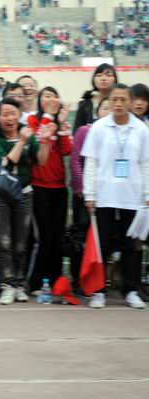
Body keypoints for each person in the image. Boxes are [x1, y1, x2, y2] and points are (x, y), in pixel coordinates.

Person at [81, 84, 149, 310]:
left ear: (130, 101)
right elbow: (91, 162)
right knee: (103, 244)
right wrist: (89, 194)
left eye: (123, 99)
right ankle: (99, 291)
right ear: (109, 101)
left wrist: (147, 193)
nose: (119, 104)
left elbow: (146, 163)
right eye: (115, 99)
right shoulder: (99, 128)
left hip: (132, 196)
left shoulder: (140, 129)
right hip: (105, 195)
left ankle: (131, 290)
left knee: (131, 245)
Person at [0, 98, 51, 305]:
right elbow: (5, 162)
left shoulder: (27, 133)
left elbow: (41, 161)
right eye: (5, 114)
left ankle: (20, 284)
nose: (10, 118)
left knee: (21, 243)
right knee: (3, 242)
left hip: (24, 193)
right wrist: (21, 141)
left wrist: (45, 142)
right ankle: (7, 285)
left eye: (13, 113)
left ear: (19, 115)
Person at [27, 87, 72, 292]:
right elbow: (36, 143)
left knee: (57, 237)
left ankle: (55, 281)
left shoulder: (61, 122)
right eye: (47, 96)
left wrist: (61, 125)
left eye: (55, 96)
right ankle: (34, 282)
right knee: (44, 237)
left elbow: (67, 150)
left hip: (59, 187)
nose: (52, 99)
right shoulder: (33, 121)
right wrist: (47, 117)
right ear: (39, 100)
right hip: (39, 187)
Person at [69, 98, 111, 292]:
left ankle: (98, 282)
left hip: (107, 197)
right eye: (105, 108)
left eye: (111, 108)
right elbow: (75, 161)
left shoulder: (117, 136)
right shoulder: (85, 131)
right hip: (85, 196)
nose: (108, 111)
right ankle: (78, 280)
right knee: (80, 239)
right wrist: (83, 191)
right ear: (97, 111)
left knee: (102, 240)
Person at [73, 63, 118, 134]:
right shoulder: (85, 105)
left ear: (115, 79)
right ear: (93, 80)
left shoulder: (119, 103)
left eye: (108, 75)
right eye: (99, 75)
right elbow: (77, 132)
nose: (103, 79)